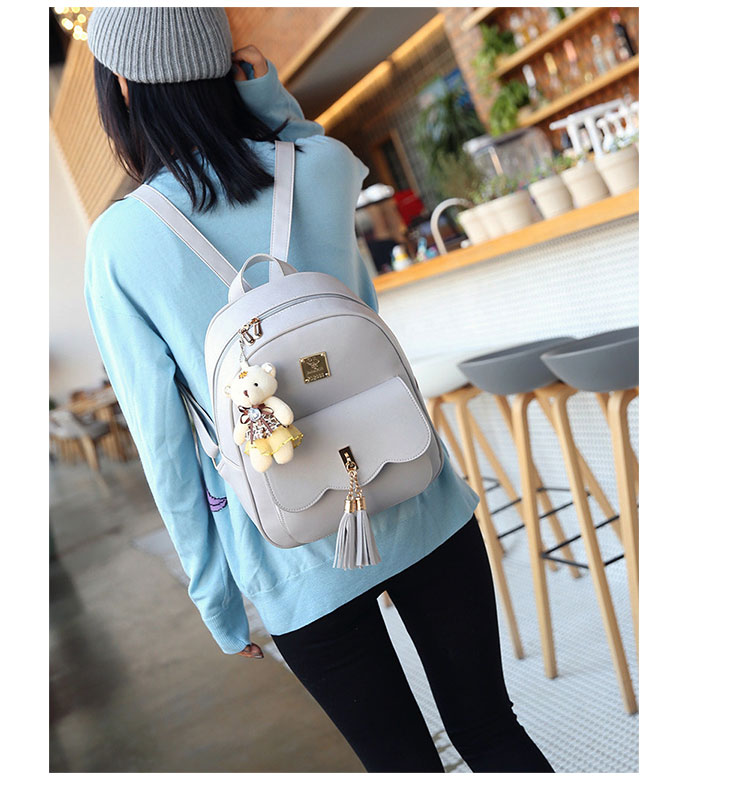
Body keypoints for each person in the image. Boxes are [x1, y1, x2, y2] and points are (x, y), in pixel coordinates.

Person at [83, 7, 554, 774]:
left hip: (286, 541)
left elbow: (165, 446)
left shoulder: (119, 244)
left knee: (402, 768)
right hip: (414, 486)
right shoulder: (322, 164)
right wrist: (270, 103)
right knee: (493, 732)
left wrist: (218, 600)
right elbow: (360, 298)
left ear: (124, 86)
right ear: (222, 64)